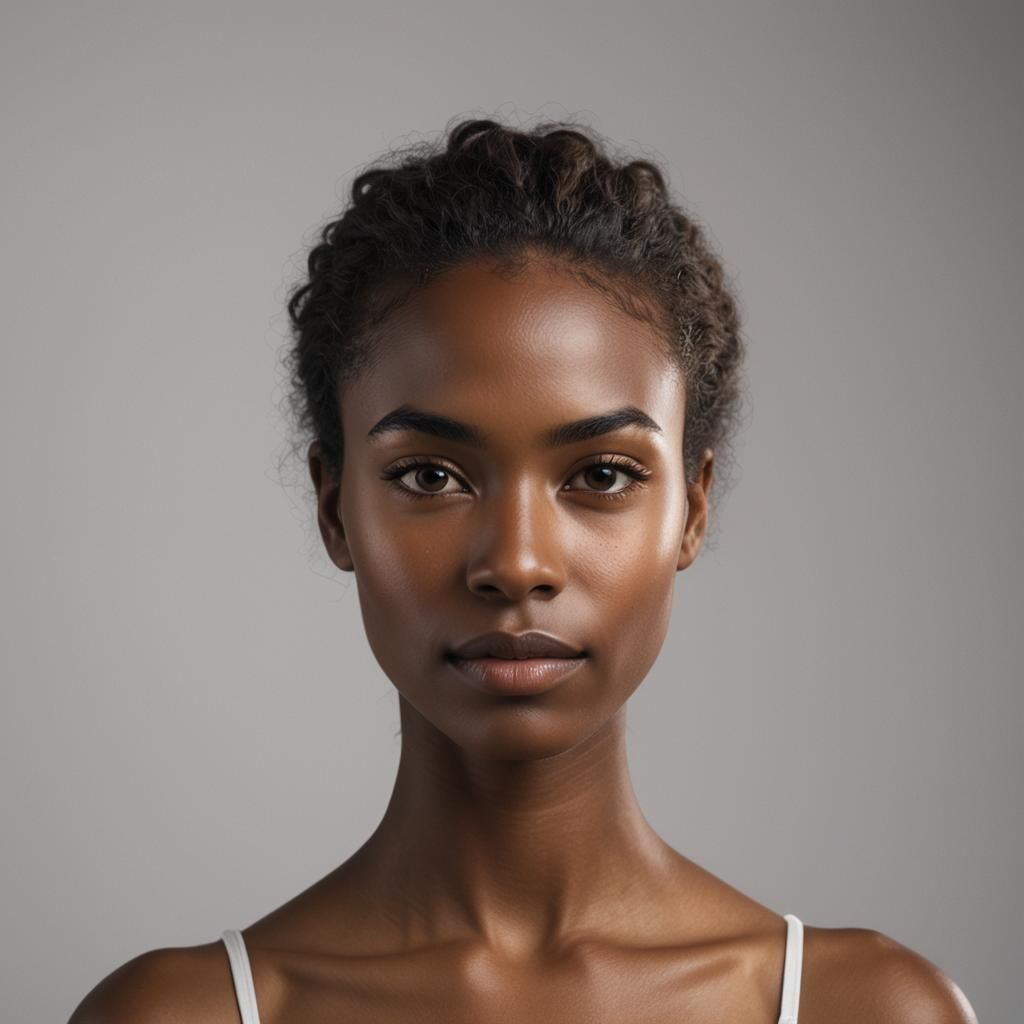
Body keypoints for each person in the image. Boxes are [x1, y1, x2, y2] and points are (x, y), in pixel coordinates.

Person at [69, 116, 977, 1024]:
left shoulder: (865, 1008)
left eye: (601, 475)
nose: (517, 564)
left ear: (691, 510)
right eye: (431, 476)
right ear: (335, 507)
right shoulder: (180, 1014)